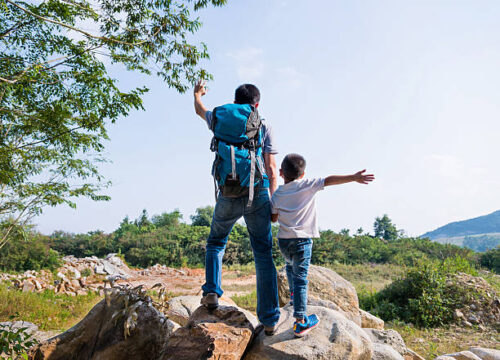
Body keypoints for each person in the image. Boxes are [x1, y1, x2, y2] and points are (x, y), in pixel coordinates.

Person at [193, 80, 280, 335]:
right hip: (258, 192)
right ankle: (270, 320)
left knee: (216, 243)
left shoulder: (219, 119)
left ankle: (211, 292)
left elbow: (200, 110)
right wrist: (274, 204)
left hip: (228, 193)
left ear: (235, 100)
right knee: (263, 254)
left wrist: (198, 94)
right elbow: (273, 169)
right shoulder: (264, 124)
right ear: (257, 103)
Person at [271, 153, 374, 337]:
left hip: (283, 241)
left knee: (289, 266)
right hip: (302, 241)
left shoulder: (278, 193)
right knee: (301, 278)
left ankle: (295, 299)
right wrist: (354, 177)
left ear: (281, 172)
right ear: (302, 174)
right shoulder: (307, 185)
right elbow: (329, 180)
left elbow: (273, 218)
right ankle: (301, 321)